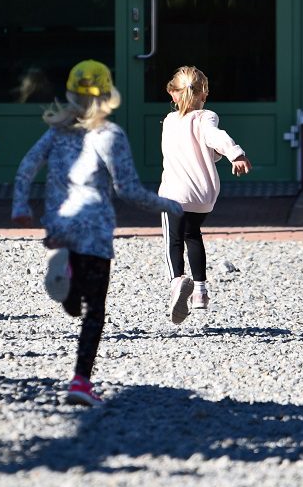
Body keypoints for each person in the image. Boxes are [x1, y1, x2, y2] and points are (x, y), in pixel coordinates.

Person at [11, 59, 182, 407]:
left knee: (73, 300)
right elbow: (128, 189)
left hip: (59, 223)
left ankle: (66, 277)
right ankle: (80, 382)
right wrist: (169, 205)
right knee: (94, 311)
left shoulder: (55, 132)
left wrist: (20, 207)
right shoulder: (111, 136)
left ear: (71, 94)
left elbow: (26, 167)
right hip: (94, 229)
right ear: (107, 97)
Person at [158, 66, 251, 324]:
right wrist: (234, 153)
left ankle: (177, 281)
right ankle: (200, 292)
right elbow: (213, 139)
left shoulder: (169, 121)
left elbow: (184, 148)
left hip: (174, 193)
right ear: (205, 94)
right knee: (193, 235)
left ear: (172, 93)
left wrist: (231, 153)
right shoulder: (207, 117)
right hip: (204, 196)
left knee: (173, 240)